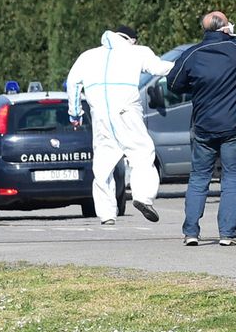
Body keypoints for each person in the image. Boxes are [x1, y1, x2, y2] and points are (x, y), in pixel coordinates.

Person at [65, 26, 174, 226]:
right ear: (131, 40)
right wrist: (187, 66)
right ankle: (143, 196)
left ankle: (106, 214)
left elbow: (72, 82)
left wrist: (75, 113)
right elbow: (160, 68)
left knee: (103, 165)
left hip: (100, 115)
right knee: (142, 153)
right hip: (127, 111)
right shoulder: (137, 51)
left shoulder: (88, 56)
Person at [167, 11, 236, 247]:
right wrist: (232, 33)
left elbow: (174, 83)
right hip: (234, 128)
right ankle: (228, 233)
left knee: (198, 178)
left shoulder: (192, 54)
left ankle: (191, 233)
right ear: (226, 28)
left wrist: (196, 85)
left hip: (203, 127)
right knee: (233, 177)